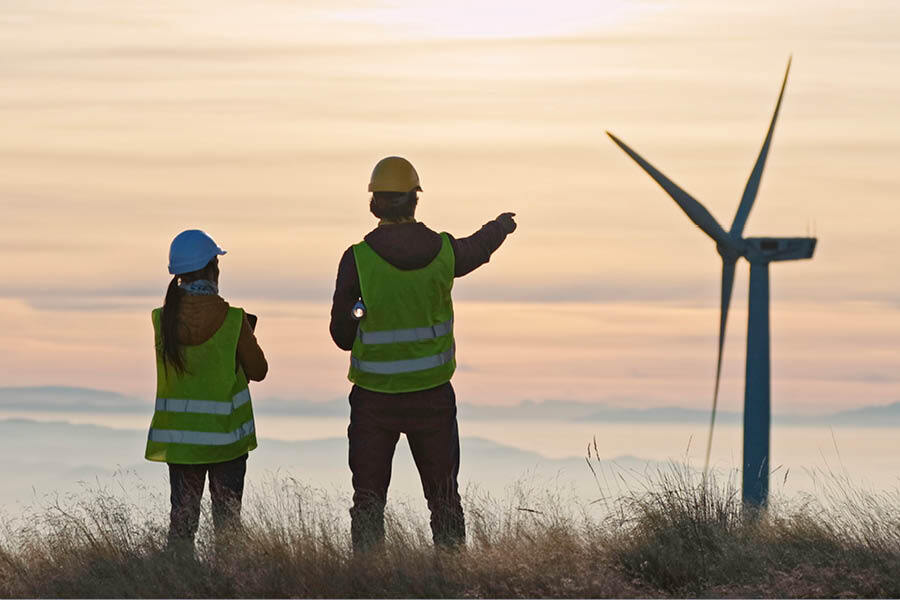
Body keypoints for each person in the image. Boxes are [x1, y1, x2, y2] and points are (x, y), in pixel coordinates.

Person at [330, 156, 517, 551]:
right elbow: (477, 248)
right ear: (415, 201)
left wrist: (358, 311)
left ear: (374, 203)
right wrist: (500, 226)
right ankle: (451, 579)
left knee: (368, 502)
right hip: (432, 397)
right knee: (444, 498)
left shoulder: (358, 260)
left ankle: (366, 584)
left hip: (374, 400)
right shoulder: (444, 253)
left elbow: (342, 337)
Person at [145, 229, 268, 554]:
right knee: (228, 530)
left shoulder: (162, 321)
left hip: (182, 446)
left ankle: (179, 583)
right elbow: (260, 371)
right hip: (226, 443)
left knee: (182, 529)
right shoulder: (232, 321)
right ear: (213, 268)